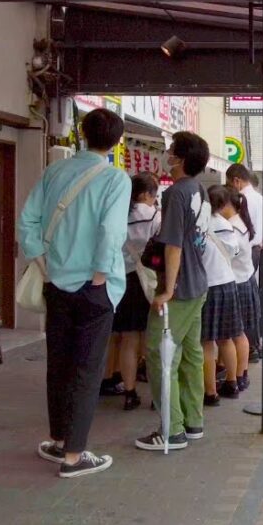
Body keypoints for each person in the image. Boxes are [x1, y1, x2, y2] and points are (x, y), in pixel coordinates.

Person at [18, 108, 131, 478]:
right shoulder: (116, 178)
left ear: (83, 133)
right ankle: (74, 456)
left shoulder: (54, 171)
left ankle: (58, 440)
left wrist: (41, 262)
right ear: (116, 141)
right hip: (94, 288)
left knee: (59, 363)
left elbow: (27, 221)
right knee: (87, 369)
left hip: (55, 283)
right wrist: (100, 273)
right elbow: (111, 231)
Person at [136, 131, 211, 452]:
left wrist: (167, 289)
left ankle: (171, 430)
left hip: (179, 289)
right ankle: (193, 421)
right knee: (190, 354)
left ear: (179, 159)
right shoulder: (199, 190)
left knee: (159, 352)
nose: (166, 155)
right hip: (198, 283)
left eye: (171, 150)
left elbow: (173, 245)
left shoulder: (176, 193)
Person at [113, 172, 161, 411]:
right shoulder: (155, 216)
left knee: (128, 339)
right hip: (149, 281)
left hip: (124, 280)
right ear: (145, 194)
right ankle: (156, 396)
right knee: (153, 340)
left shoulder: (119, 215)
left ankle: (130, 393)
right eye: (153, 195)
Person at [200, 185, 245, 405]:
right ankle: (232, 383)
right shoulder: (225, 225)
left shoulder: (199, 223)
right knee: (226, 338)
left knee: (207, 342)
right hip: (227, 283)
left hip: (206, 286)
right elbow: (235, 251)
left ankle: (210, 393)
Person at [216, 186, 257, 392]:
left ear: (227, 204)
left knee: (236, 334)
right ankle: (240, 374)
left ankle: (239, 375)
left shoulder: (230, 227)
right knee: (238, 333)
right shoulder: (241, 222)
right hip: (245, 280)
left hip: (237, 283)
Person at [225, 164, 263, 360]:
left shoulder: (241, 199)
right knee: (250, 299)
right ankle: (253, 344)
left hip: (243, 252)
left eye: (229, 183)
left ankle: (249, 346)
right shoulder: (259, 198)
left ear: (236, 181)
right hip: (256, 249)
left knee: (241, 301)